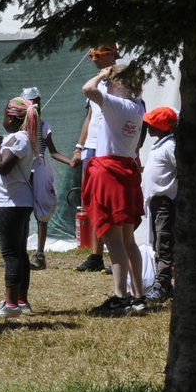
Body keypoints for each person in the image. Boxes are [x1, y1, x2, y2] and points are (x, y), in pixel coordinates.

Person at [81, 59, 148, 316]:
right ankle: (138, 295)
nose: (106, 84)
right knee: (128, 240)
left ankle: (120, 297)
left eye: (110, 81)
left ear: (120, 83)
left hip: (110, 171)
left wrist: (101, 76)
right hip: (127, 169)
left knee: (114, 240)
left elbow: (87, 90)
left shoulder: (116, 104)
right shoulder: (137, 105)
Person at [0, 97, 36, 318]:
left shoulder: (19, 140)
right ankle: (20, 300)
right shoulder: (20, 138)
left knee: (11, 254)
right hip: (16, 201)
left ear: (13, 118)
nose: (2, 117)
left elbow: (3, 166)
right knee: (19, 252)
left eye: (5, 114)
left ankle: (11, 304)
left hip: (10, 202)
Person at [70, 44, 120, 272]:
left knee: (112, 203)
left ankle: (116, 255)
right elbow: (90, 117)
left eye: (98, 56)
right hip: (91, 148)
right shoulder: (95, 83)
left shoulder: (121, 81)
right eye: (91, 56)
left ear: (112, 54)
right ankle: (96, 255)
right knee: (92, 202)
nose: (94, 60)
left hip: (110, 149)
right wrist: (79, 146)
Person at [20, 86, 73, 269]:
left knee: (42, 213)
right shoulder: (20, 126)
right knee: (21, 211)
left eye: (35, 102)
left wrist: (70, 161)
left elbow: (53, 151)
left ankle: (40, 254)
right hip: (24, 169)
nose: (33, 106)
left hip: (39, 169)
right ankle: (19, 253)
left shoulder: (43, 125)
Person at [141, 106, 178, 300]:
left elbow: (181, 169)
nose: (148, 127)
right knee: (157, 243)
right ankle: (163, 283)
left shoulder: (171, 146)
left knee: (164, 244)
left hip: (165, 203)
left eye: (152, 124)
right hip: (156, 203)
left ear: (164, 127)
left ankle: (162, 285)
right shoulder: (161, 145)